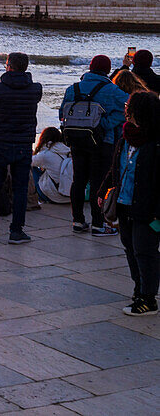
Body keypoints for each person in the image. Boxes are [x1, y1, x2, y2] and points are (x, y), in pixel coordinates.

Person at [0, 52, 42, 243]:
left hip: (0, 142)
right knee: (20, 188)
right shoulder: (35, 89)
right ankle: (16, 230)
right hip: (23, 144)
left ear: (9, 67)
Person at [61, 55, 128, 236]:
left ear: (90, 68)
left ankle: (78, 221)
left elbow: (62, 113)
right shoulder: (112, 90)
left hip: (76, 140)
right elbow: (129, 106)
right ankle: (99, 224)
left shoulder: (72, 88)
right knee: (98, 183)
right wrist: (105, 124)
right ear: (107, 70)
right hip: (101, 142)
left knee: (79, 180)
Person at [114, 91, 160, 316]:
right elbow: (116, 169)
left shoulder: (155, 143)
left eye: (128, 106)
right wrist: (105, 192)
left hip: (146, 209)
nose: (125, 109)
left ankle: (149, 299)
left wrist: (156, 215)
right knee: (130, 249)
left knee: (145, 252)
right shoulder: (125, 136)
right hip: (124, 203)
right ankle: (138, 290)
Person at [32, 127, 72, 204]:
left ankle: (30, 195)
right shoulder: (67, 151)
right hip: (71, 196)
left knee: (32, 168)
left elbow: (29, 162)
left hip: (56, 198)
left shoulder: (46, 155)